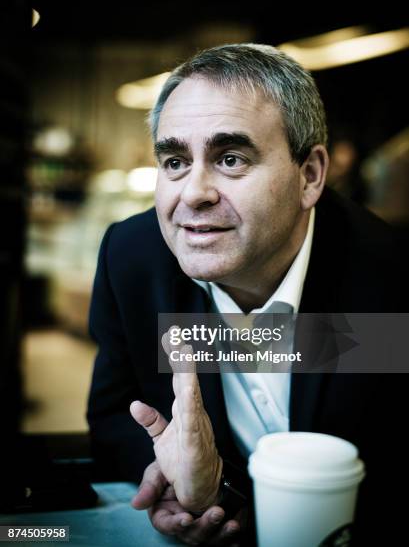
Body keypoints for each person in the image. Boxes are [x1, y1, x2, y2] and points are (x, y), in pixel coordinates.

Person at [87, 44, 407, 545]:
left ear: (310, 175)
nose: (193, 193)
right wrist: (183, 484)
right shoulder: (132, 259)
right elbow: (112, 416)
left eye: (231, 158)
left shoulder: (389, 283)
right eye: (174, 161)